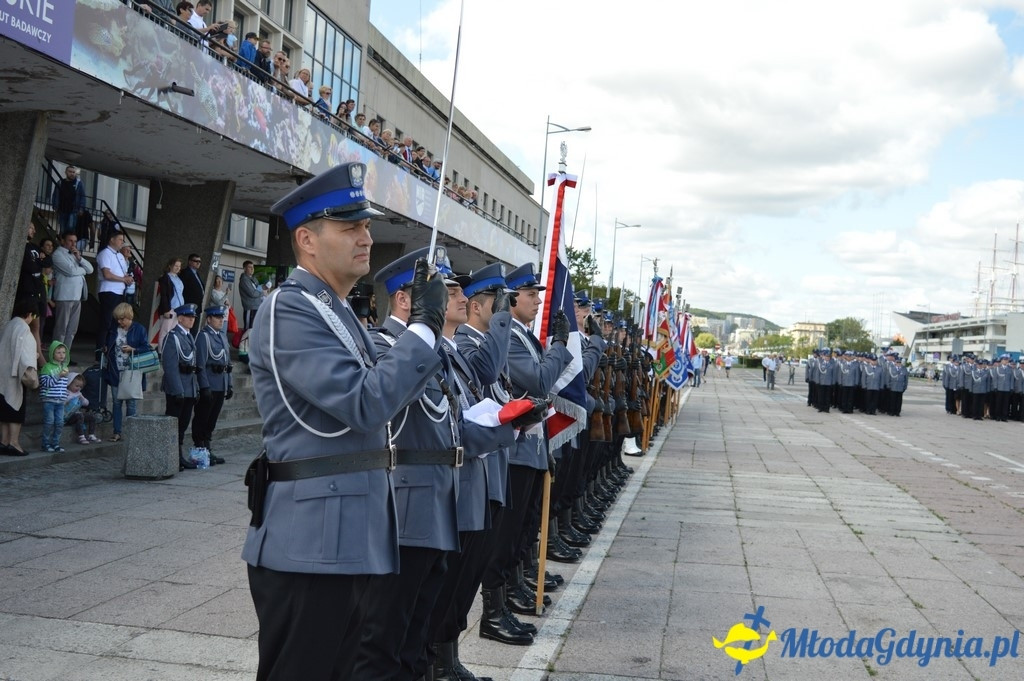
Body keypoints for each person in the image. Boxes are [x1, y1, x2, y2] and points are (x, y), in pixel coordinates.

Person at [241, 162, 450, 681]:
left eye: (366, 225)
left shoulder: (333, 310)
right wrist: (423, 330)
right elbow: (363, 402)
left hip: (345, 536)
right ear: (307, 240)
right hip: (310, 543)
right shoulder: (289, 308)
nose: (366, 236)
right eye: (350, 226)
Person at [104, 303, 150, 443]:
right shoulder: (114, 330)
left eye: (122, 319)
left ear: (129, 317)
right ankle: (117, 432)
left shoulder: (139, 329)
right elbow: (108, 344)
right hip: (115, 370)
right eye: (118, 319)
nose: (120, 322)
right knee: (117, 403)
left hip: (132, 372)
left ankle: (131, 432)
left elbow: (146, 348)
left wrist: (132, 349)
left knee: (131, 404)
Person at [162, 303, 200, 470]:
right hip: (178, 388)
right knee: (174, 423)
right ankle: (170, 456)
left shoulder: (188, 336)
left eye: (193, 318)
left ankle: (178, 456)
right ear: (181, 318)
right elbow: (170, 367)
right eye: (189, 317)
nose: (192, 320)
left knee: (183, 424)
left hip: (189, 387)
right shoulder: (173, 337)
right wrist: (178, 390)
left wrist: (195, 388)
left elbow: (193, 365)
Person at [191, 306, 232, 464]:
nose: (221, 320)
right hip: (209, 383)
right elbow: (200, 364)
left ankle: (207, 447)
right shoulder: (204, 337)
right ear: (209, 319)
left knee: (212, 419)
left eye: (222, 317)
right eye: (217, 317)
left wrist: (229, 384)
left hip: (220, 383)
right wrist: (204, 386)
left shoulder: (222, 336)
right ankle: (199, 449)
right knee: (202, 417)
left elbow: (227, 363)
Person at [1, 300, 40, 456]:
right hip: (15, 375)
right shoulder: (23, 329)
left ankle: (3, 441)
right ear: (29, 314)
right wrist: (35, 356)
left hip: (2, 374)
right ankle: (14, 443)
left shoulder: (9, 325)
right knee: (16, 410)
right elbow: (25, 354)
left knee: (4, 411)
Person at [51, 232, 94, 356]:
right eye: (70, 241)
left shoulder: (75, 255)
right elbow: (70, 271)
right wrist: (82, 271)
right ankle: (55, 356)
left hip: (76, 297)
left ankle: (65, 356)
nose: (73, 244)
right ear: (63, 241)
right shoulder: (58, 254)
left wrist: (80, 258)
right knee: (61, 329)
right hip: (64, 296)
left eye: (75, 241)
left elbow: (90, 269)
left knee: (72, 330)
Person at [95, 231, 133, 358]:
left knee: (116, 323)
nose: (122, 242)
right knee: (106, 322)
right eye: (120, 239)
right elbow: (107, 274)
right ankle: (99, 353)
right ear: (112, 239)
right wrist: (123, 279)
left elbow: (122, 274)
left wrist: (127, 279)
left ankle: (110, 350)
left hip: (120, 291)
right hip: (109, 291)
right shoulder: (105, 253)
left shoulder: (120, 256)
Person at [16, 222, 49, 363]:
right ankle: (37, 360)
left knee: (36, 327)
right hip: (26, 292)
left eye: (35, 228)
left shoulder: (34, 247)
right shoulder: (20, 246)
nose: (34, 231)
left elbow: (47, 261)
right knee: (26, 326)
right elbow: (29, 266)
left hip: (37, 293)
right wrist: (38, 262)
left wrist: (39, 261)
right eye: (31, 227)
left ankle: (39, 359)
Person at [38, 341, 71, 453]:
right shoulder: (47, 367)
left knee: (60, 422)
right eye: (58, 352)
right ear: (52, 354)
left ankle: (56, 443)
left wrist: (65, 395)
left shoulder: (65, 367)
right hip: (49, 400)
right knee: (49, 422)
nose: (62, 355)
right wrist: (59, 375)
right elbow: (46, 383)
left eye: (63, 352)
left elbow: (64, 385)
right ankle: (45, 444)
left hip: (60, 401)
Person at [155, 257, 184, 350]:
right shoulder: (165, 278)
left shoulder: (178, 279)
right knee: (165, 331)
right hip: (170, 308)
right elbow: (164, 295)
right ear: (170, 266)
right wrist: (166, 310)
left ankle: (168, 351)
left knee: (173, 331)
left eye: (179, 266)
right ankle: (161, 351)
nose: (177, 268)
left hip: (178, 308)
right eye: (176, 265)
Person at [64, 372, 100, 445]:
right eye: (76, 386)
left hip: (76, 414)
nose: (78, 388)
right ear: (69, 383)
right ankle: (81, 436)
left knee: (91, 416)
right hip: (66, 416)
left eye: (80, 387)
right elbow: (63, 402)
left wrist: (82, 398)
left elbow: (86, 403)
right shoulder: (65, 392)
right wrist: (72, 398)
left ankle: (91, 434)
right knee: (79, 416)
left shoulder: (78, 393)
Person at [51, 165, 86, 236]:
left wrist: (81, 208)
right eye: (70, 172)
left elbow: (82, 196)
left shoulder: (78, 183)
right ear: (66, 172)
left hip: (73, 210)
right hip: (62, 209)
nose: (72, 174)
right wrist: (55, 205)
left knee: (70, 227)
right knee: (62, 228)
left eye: (73, 172)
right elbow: (55, 195)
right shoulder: (60, 182)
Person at [181, 253, 206, 335]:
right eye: (196, 261)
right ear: (190, 262)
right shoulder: (185, 273)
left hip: (197, 307)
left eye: (199, 261)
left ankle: (191, 346)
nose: (198, 263)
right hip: (189, 306)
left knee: (194, 330)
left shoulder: (196, 273)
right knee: (188, 329)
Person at [238, 260, 265, 330]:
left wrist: (262, 289)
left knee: (254, 329)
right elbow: (253, 293)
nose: (252, 269)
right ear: (244, 269)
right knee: (248, 329)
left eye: (253, 267)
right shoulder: (244, 280)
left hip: (257, 307)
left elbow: (259, 289)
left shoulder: (254, 279)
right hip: (250, 308)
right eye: (250, 267)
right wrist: (262, 292)